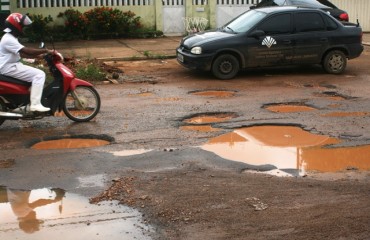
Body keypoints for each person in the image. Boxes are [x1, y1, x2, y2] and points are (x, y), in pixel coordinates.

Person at [0, 13, 53, 112]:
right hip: (8, 67)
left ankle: (28, 102)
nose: (24, 28)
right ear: (16, 25)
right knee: (39, 74)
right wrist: (46, 50)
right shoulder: (8, 39)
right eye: (22, 26)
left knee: (34, 74)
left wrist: (39, 56)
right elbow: (27, 51)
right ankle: (35, 104)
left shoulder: (11, 37)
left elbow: (22, 54)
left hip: (11, 65)